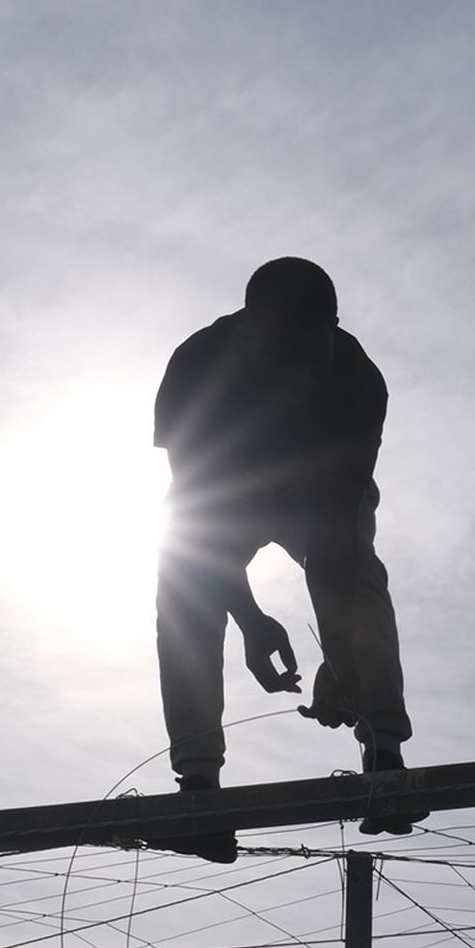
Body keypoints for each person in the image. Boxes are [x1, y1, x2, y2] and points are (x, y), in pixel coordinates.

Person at [152, 258, 424, 859]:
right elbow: (198, 530)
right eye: (282, 353)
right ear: (249, 331)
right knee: (181, 583)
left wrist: (341, 657)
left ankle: (385, 756)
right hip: (230, 492)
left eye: (311, 349)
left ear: (332, 326)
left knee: (364, 582)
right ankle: (199, 788)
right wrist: (251, 621)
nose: (300, 371)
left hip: (317, 491)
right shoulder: (197, 368)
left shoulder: (356, 383)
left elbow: (334, 543)